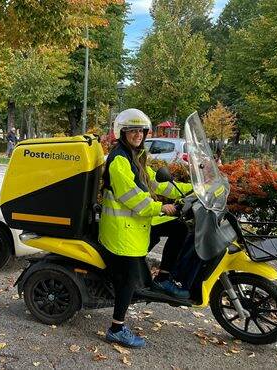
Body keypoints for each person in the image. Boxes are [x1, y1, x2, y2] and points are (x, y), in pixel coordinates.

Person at [99, 109, 193, 348]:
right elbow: (134, 200)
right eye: (132, 130)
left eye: (140, 130)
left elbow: (155, 182)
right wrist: (162, 208)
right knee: (129, 278)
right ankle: (116, 328)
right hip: (122, 230)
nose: (137, 134)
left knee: (180, 229)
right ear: (122, 133)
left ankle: (162, 279)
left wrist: (189, 189)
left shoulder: (135, 157)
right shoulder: (120, 159)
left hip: (136, 223)